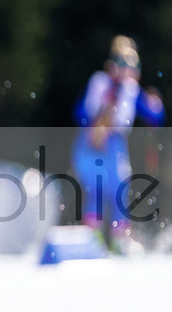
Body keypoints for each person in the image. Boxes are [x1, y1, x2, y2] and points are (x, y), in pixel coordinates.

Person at [71, 35, 165, 254]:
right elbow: (80, 111)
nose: (126, 70)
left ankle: (118, 238)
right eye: (121, 62)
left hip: (115, 142)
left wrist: (156, 107)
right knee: (94, 186)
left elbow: (154, 116)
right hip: (92, 140)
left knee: (119, 187)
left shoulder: (131, 90)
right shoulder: (99, 82)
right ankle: (91, 236)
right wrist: (94, 123)